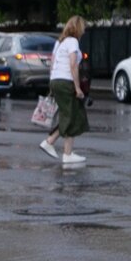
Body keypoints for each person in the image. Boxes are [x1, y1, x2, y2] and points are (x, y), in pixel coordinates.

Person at [39, 15, 89, 165]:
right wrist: (77, 87)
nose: (84, 31)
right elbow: (73, 64)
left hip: (56, 80)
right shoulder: (73, 42)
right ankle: (61, 150)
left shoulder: (59, 43)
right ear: (78, 28)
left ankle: (56, 145)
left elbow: (53, 63)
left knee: (68, 114)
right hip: (66, 81)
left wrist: (52, 84)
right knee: (71, 115)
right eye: (83, 28)